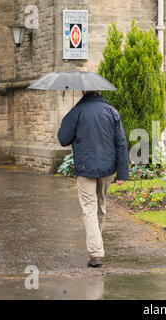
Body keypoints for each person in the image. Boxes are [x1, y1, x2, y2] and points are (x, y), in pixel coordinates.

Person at [58, 91, 129, 268]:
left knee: (89, 209)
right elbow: (121, 143)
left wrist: (73, 113)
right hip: (107, 170)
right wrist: (122, 173)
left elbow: (62, 139)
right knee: (100, 206)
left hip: (85, 169)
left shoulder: (78, 111)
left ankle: (96, 253)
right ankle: (97, 246)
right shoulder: (112, 111)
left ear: (83, 92)